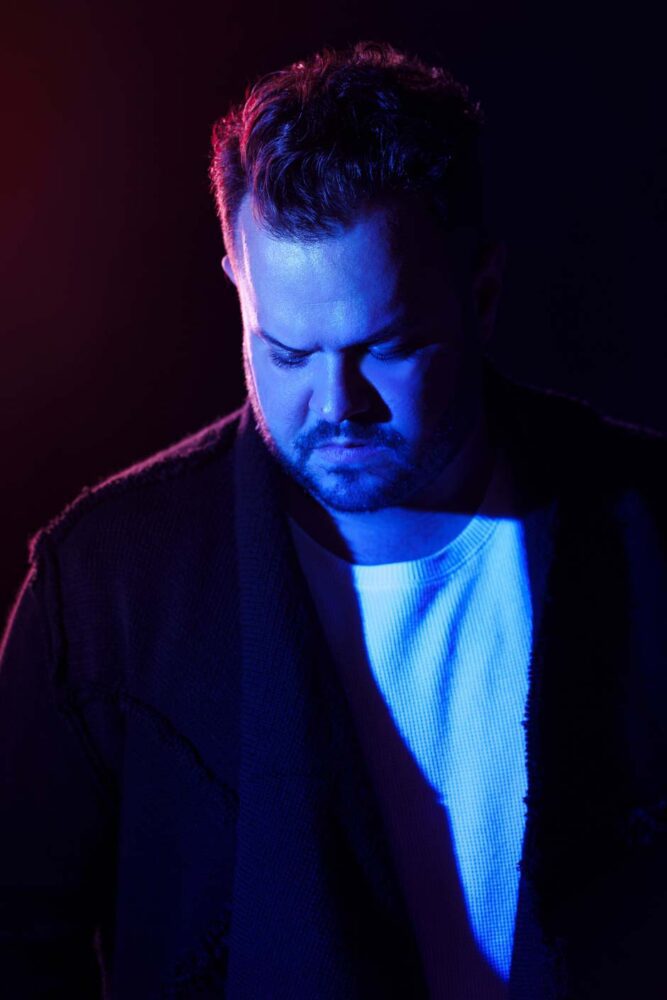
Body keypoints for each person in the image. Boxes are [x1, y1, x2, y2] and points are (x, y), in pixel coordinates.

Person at [1, 40, 666, 1000]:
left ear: (481, 295)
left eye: (385, 348)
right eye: (284, 351)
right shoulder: (107, 588)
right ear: (237, 287)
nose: (335, 404)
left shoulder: (646, 528)